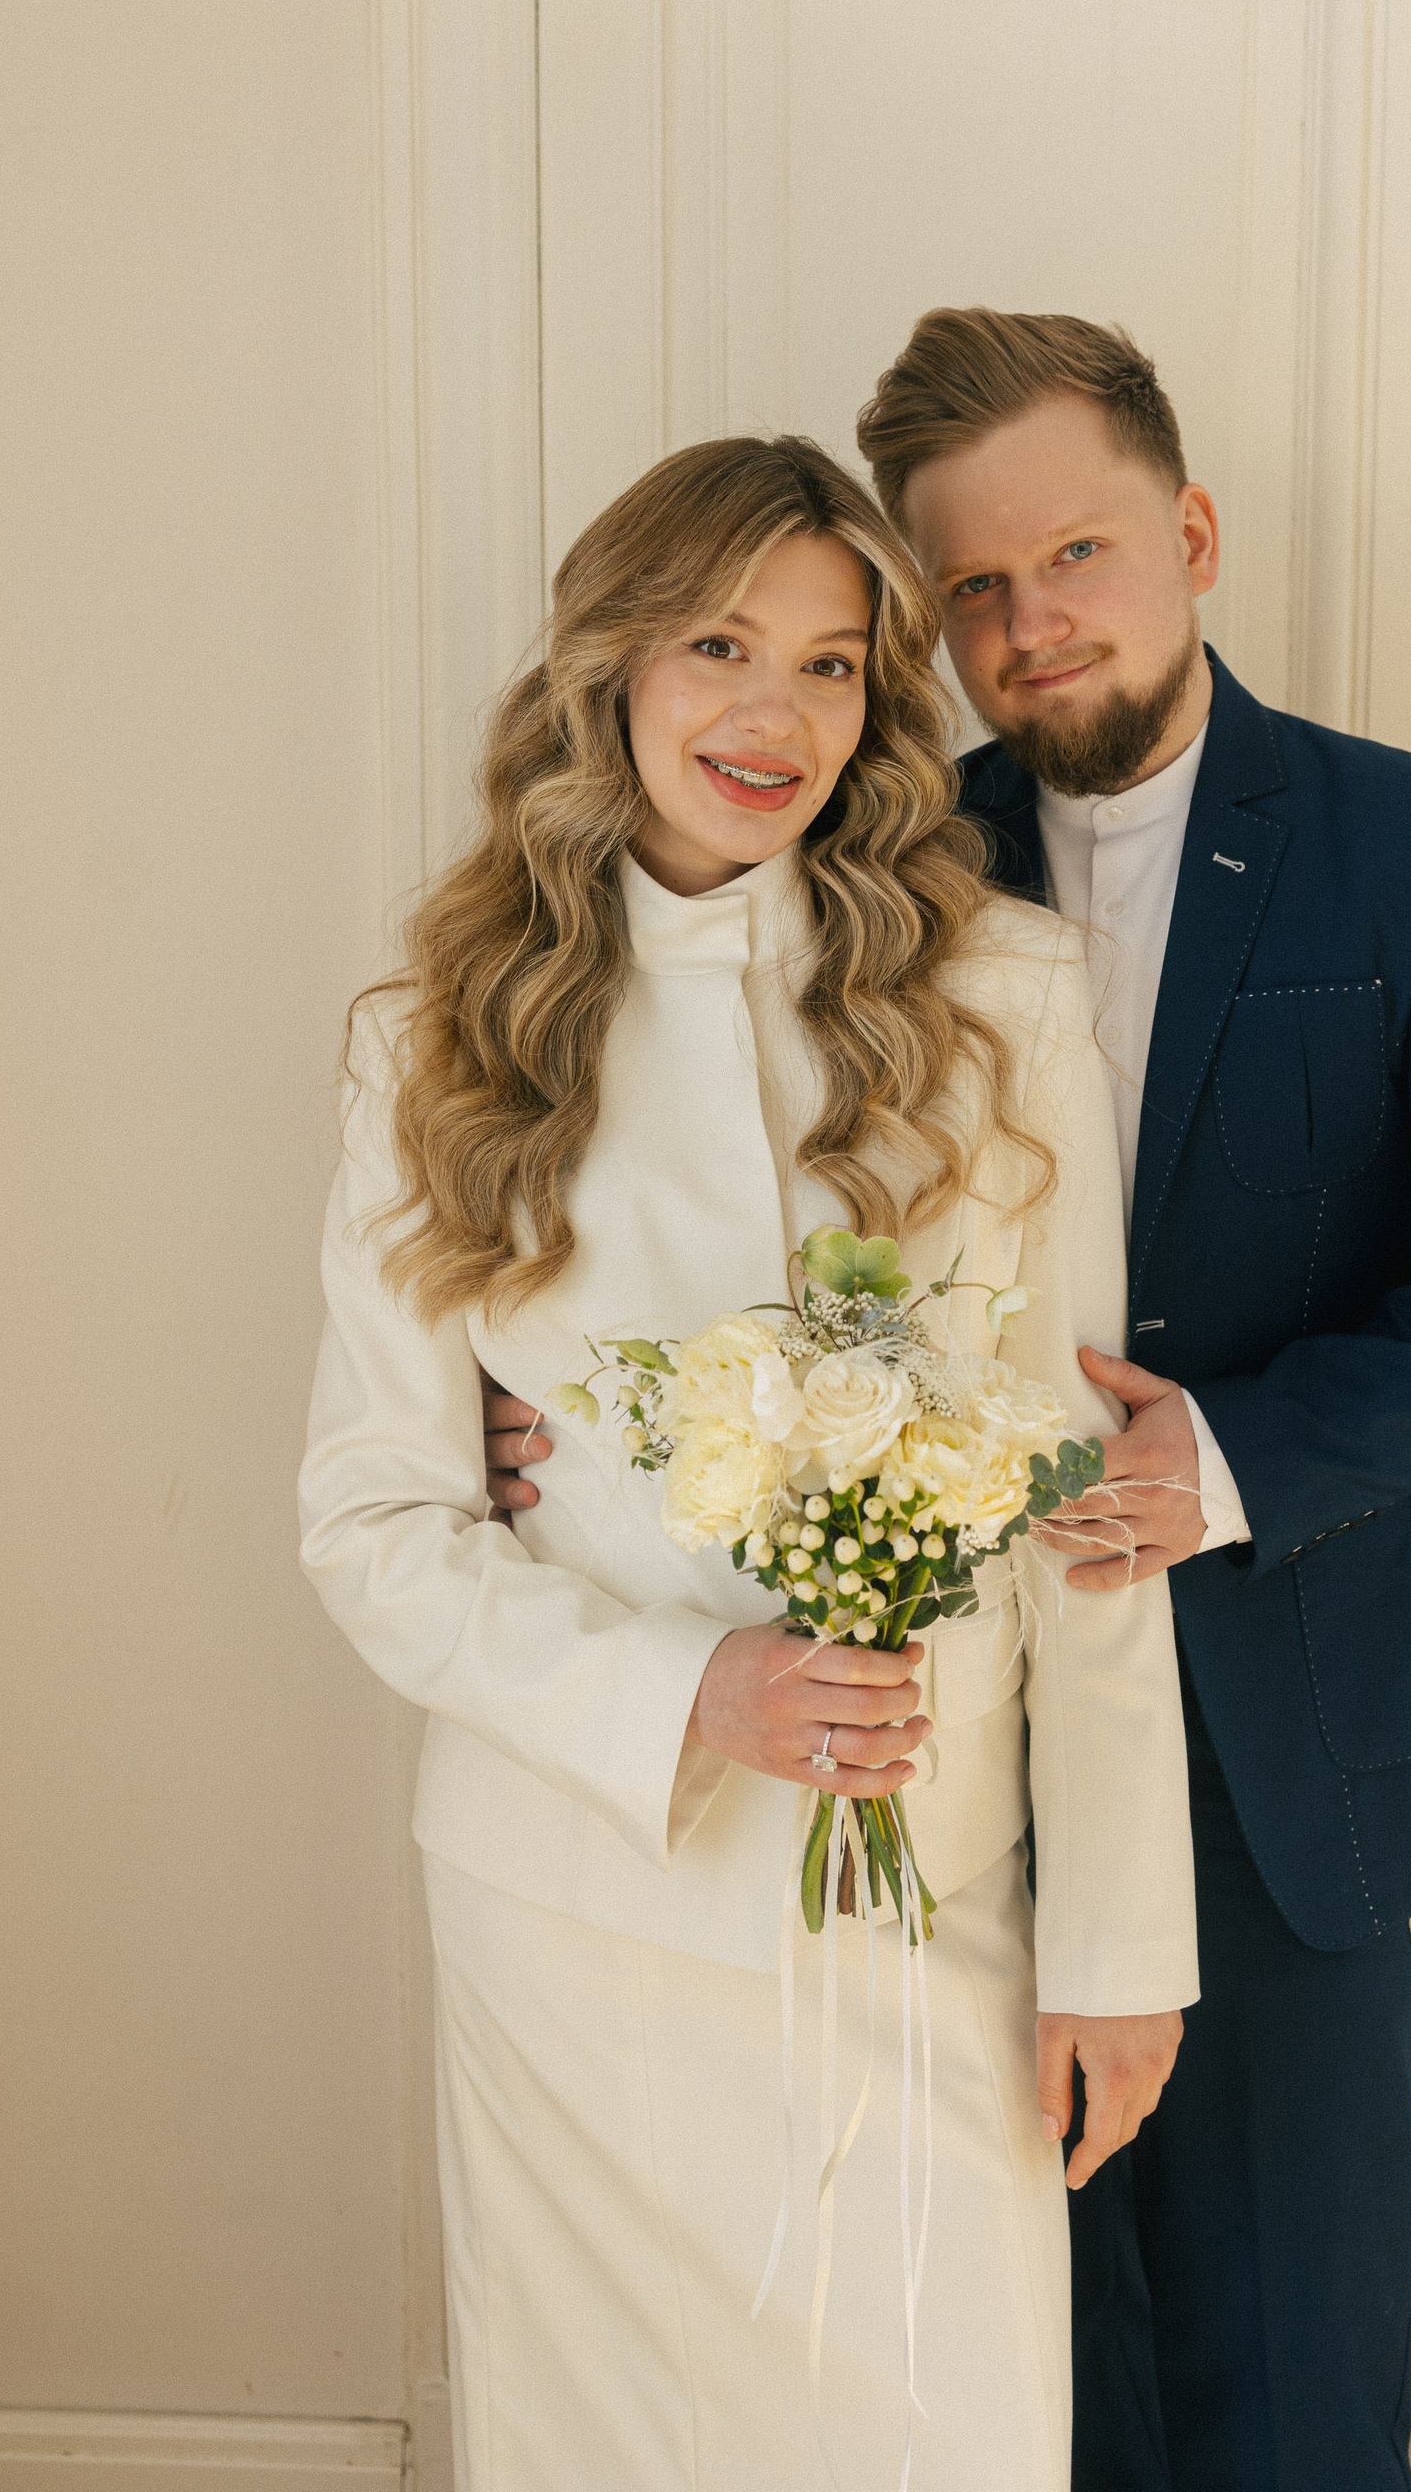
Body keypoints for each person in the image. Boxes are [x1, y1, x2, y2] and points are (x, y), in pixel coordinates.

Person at [300, 432, 1199, 2492]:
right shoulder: (435, 1039)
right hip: (577, 1913)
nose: (772, 712)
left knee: (955, 2434)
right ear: (611, 663)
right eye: (719, 644)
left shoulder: (1001, 998)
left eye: (829, 663)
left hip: (929, 1896)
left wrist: (1120, 1946)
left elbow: (1085, 1493)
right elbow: (373, 1523)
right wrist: (691, 1691)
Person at [853, 311, 1411, 2491]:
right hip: (961, 1742)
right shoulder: (884, 866)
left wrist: (1223, 1458)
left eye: (1076, 553)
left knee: (1289, 2376)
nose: (1031, 623)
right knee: (1018, 2370)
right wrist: (557, 1425)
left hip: (1301, 1735)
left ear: (1189, 535)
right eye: (974, 587)